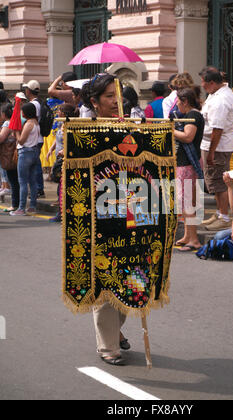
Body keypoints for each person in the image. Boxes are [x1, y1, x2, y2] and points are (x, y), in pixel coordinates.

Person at [81, 73, 129, 366]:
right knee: (106, 281)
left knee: (132, 281)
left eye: (118, 94)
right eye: (109, 95)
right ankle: (108, 344)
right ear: (95, 102)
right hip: (100, 217)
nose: (115, 100)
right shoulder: (83, 132)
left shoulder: (131, 128)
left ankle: (116, 329)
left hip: (134, 215)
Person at [199, 66, 233, 231]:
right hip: (213, 144)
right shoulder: (216, 94)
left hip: (217, 146)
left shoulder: (220, 100)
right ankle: (219, 212)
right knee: (213, 181)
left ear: (212, 83)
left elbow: (217, 129)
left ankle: (224, 216)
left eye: (203, 82)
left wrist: (212, 152)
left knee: (219, 182)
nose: (202, 85)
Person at [174, 88, 205, 252]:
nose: (177, 104)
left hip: (188, 163)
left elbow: (188, 136)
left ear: (185, 101)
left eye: (178, 101)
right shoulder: (189, 115)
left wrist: (170, 130)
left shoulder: (194, 116)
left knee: (187, 203)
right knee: (187, 202)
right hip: (185, 162)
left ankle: (194, 239)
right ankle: (187, 235)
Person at [10, 103, 41, 216]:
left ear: (26, 112)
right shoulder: (36, 123)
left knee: (22, 182)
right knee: (32, 181)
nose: (21, 114)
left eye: (22, 112)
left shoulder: (29, 124)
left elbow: (22, 141)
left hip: (25, 152)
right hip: (34, 152)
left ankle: (21, 208)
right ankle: (32, 206)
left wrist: (17, 133)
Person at [47, 103, 76, 223]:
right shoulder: (61, 124)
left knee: (62, 188)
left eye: (59, 111)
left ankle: (62, 213)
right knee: (60, 187)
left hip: (65, 161)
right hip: (58, 160)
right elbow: (57, 139)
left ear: (64, 113)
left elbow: (73, 143)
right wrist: (51, 149)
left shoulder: (71, 127)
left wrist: (64, 151)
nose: (57, 112)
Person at [22, 79, 45, 198]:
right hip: (38, 138)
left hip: (35, 138)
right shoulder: (39, 102)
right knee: (35, 164)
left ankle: (39, 189)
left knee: (35, 166)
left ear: (28, 91)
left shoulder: (33, 105)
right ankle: (38, 189)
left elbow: (32, 121)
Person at [0, 103, 19, 211]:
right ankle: (16, 204)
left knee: (13, 180)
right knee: (15, 180)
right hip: (13, 153)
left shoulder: (7, 123)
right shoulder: (13, 121)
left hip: (8, 154)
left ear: (4, 113)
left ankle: (14, 204)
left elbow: (1, 138)